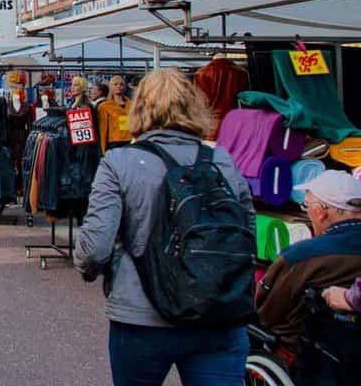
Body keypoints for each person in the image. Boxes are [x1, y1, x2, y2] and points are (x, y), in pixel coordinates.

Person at [75, 69, 253, 386]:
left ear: (139, 108)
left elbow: (96, 247)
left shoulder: (118, 162)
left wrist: (90, 268)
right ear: (194, 106)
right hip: (218, 312)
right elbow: (246, 232)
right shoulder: (222, 160)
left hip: (142, 313)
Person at [257, 170, 361, 366]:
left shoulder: (301, 256)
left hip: (309, 355)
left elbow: (268, 312)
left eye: (306, 206)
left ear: (320, 212)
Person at [96, 75, 133, 153]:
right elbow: (103, 130)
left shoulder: (132, 104)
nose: (119, 86)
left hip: (130, 141)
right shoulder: (104, 106)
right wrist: (103, 150)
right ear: (111, 87)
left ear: (125, 87)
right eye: (115, 84)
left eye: (121, 84)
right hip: (114, 142)